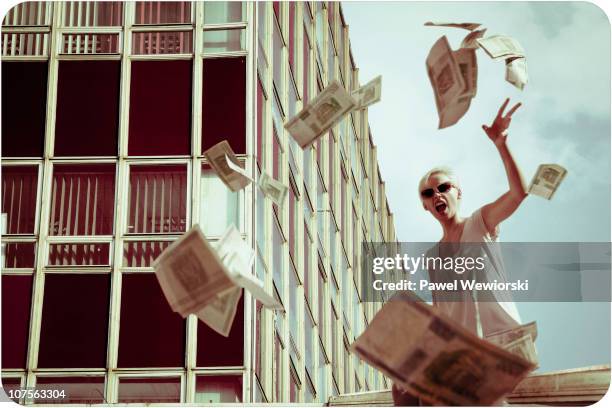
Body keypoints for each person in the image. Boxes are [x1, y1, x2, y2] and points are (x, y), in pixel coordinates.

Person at [392, 98, 528, 406]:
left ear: (458, 192)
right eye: (429, 193)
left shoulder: (481, 223)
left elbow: (518, 194)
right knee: (403, 391)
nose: (437, 195)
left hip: (498, 344)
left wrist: (501, 144)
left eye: (443, 188)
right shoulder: (432, 258)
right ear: (425, 206)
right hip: (463, 356)